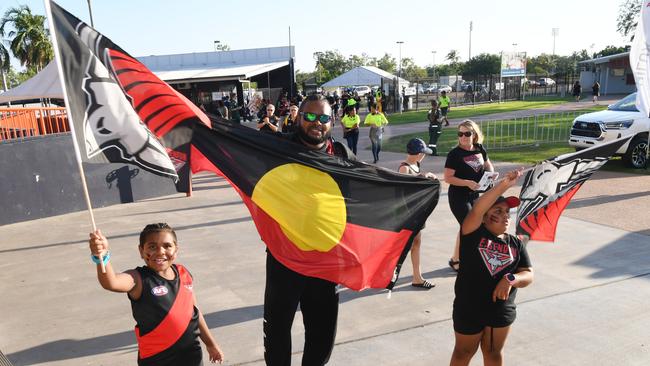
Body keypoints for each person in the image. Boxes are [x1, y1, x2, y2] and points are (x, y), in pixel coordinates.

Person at [264, 94, 355, 366]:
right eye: (311, 116)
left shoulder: (339, 153)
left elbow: (368, 183)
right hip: (285, 257)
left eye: (324, 118)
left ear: (333, 121)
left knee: (322, 335)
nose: (318, 123)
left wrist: (414, 180)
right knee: (278, 330)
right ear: (298, 118)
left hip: (326, 259)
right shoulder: (277, 147)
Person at [88, 223, 225, 365]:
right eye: (152, 246)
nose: (160, 251)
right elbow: (111, 282)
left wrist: (211, 344)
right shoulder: (138, 279)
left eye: (167, 246)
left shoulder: (183, 273)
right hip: (156, 359)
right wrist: (102, 256)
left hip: (191, 356)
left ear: (176, 250)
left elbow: (194, 312)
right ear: (141, 251)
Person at [449, 169, 533, 366]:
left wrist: (511, 279)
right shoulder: (472, 233)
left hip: (500, 309)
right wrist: (504, 185)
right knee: (463, 353)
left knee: (494, 353)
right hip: (469, 307)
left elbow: (528, 274)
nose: (505, 216)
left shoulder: (515, 242)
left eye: (507, 212)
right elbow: (477, 208)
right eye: (498, 211)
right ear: (485, 217)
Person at [444, 120, 494, 272]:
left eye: (467, 133)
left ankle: (456, 259)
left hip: (475, 195)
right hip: (458, 197)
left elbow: (487, 164)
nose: (463, 137)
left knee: (467, 227)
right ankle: (466, 259)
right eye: (460, 134)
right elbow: (448, 178)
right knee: (470, 227)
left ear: (474, 135)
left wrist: (490, 174)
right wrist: (467, 182)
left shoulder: (479, 149)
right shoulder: (454, 154)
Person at [398, 138, 437, 289]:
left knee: (416, 243)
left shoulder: (416, 164)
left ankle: (417, 277)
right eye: (423, 153)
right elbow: (404, 188)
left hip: (416, 210)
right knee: (403, 246)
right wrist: (421, 177)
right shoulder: (405, 168)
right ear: (418, 153)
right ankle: (384, 272)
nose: (424, 156)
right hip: (408, 213)